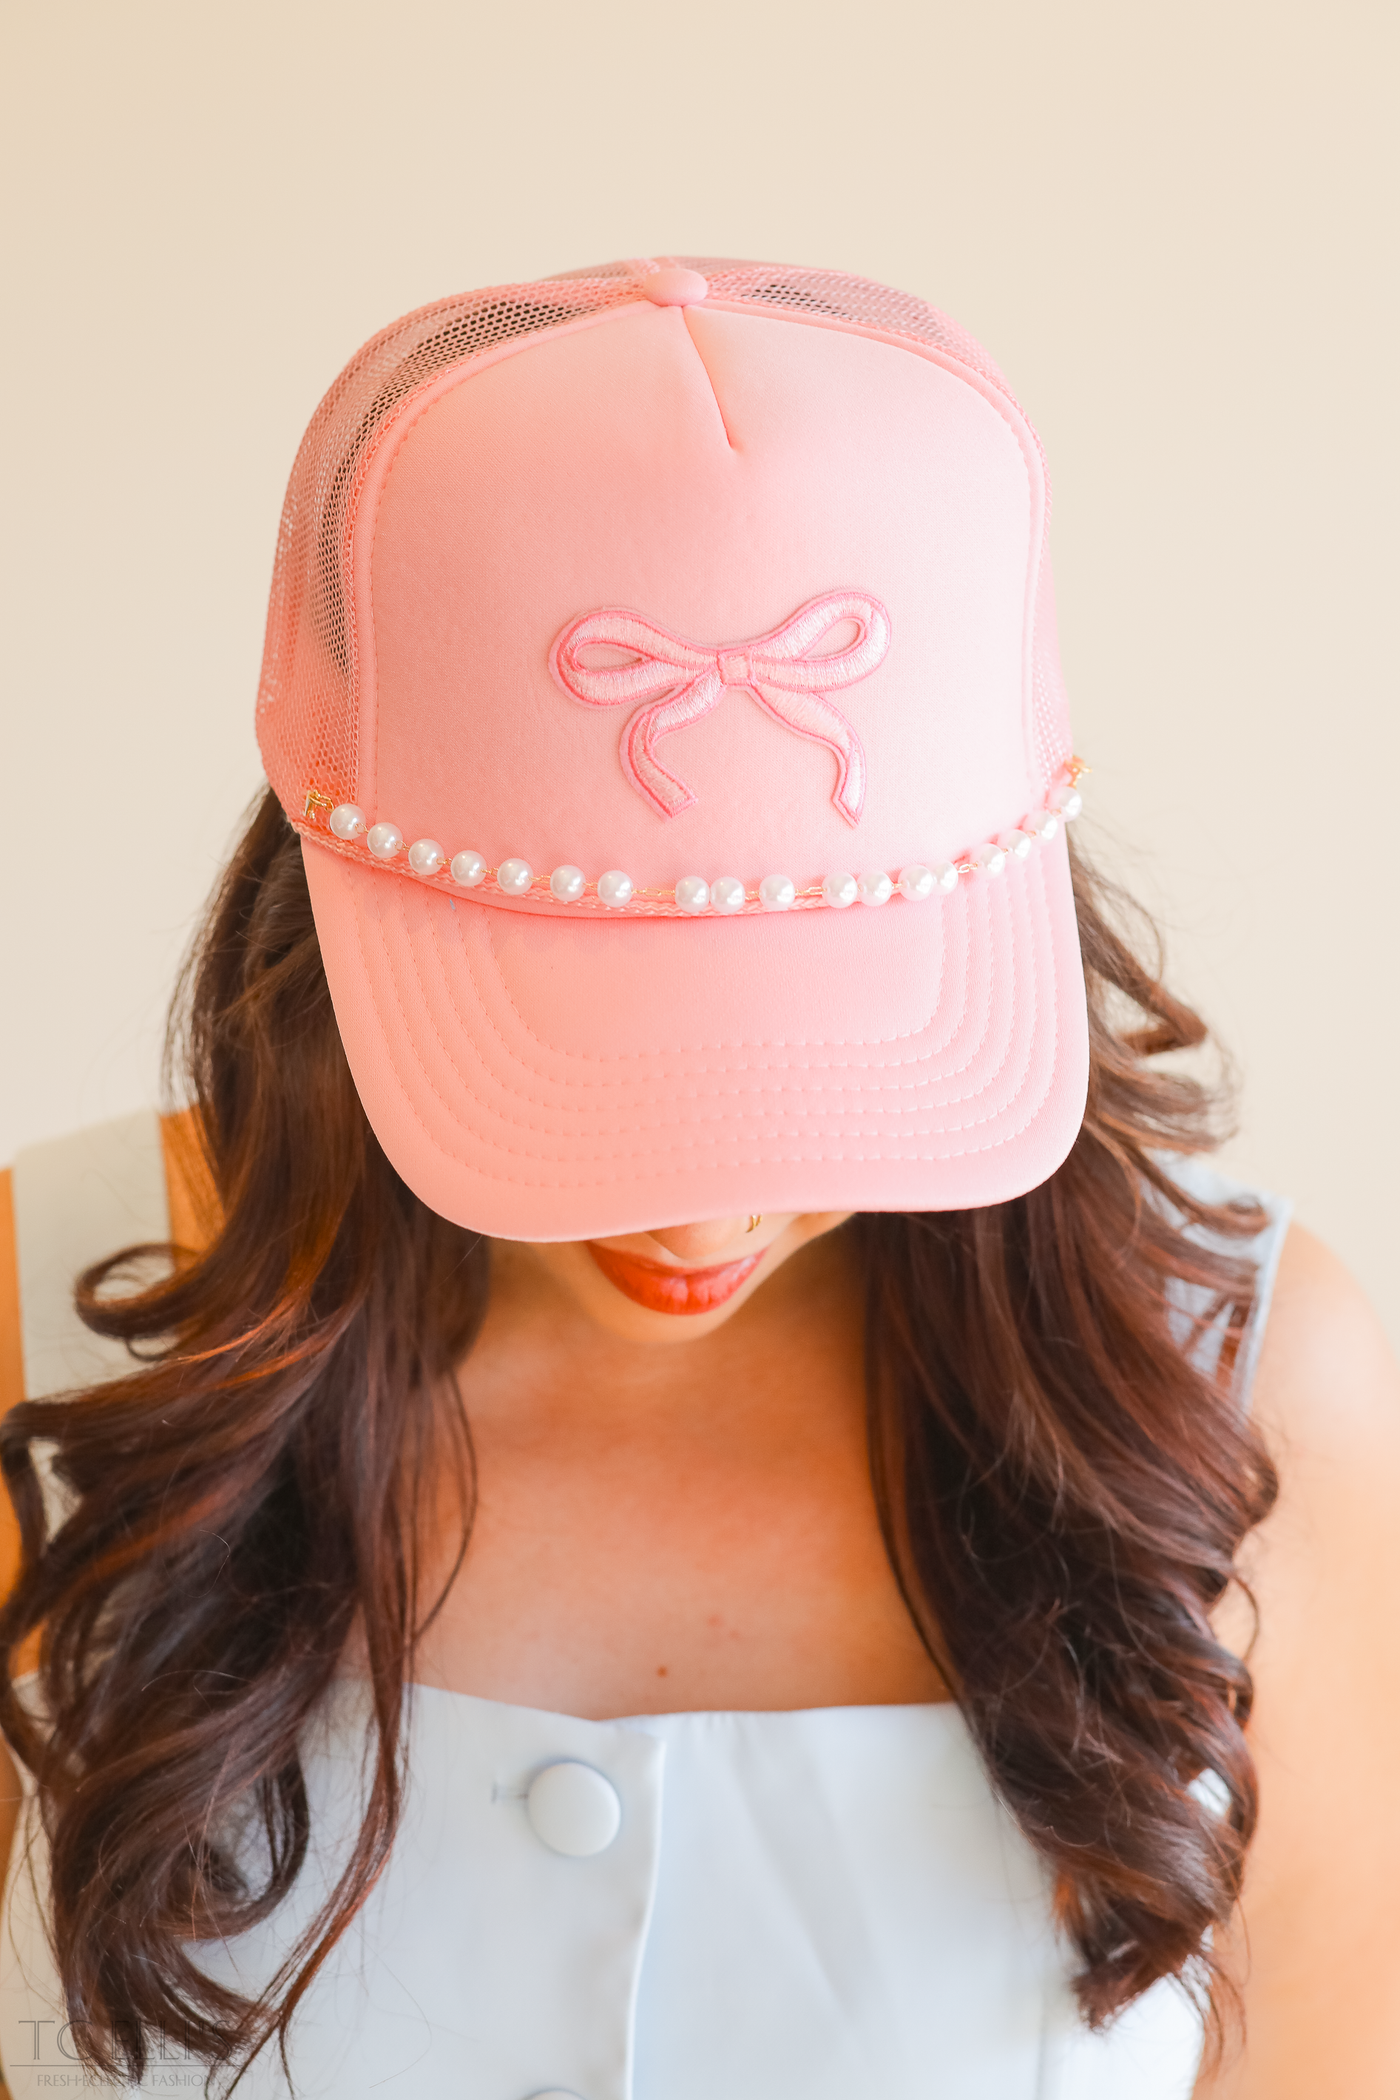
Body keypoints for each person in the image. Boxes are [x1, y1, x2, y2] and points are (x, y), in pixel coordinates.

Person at [0, 256, 1396, 2100]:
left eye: (812, 1067)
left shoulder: (1247, 1387)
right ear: (329, 908)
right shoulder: (46, 1321)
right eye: (598, 1076)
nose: (701, 1220)